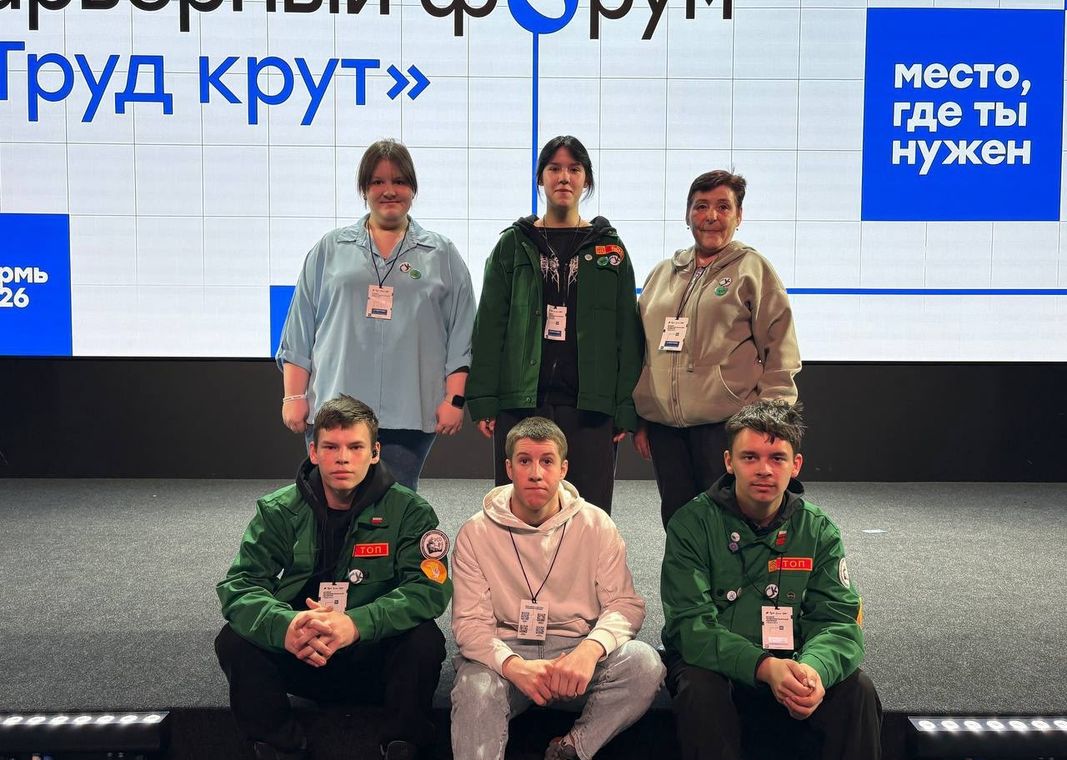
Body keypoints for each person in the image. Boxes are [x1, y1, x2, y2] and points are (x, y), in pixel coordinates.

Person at [215, 395, 452, 760]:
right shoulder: (278, 510)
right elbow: (240, 585)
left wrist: (356, 624)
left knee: (424, 641)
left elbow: (429, 589)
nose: (343, 458)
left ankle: (401, 753)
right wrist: (286, 625)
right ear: (314, 451)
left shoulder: (410, 511)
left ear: (375, 453)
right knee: (234, 641)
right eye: (331, 447)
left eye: (356, 447)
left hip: (372, 658)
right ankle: (281, 753)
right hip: (303, 651)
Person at [660, 399, 881, 760]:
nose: (764, 469)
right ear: (729, 462)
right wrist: (764, 667)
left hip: (793, 663)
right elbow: (690, 626)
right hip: (720, 667)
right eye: (750, 457)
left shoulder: (818, 530)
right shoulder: (691, 524)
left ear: (796, 465)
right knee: (699, 688)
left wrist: (813, 671)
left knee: (858, 691)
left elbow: (838, 621)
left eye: (777, 458)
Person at [450, 416, 665, 760]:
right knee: (473, 689)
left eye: (547, 461)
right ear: (508, 468)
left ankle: (568, 751)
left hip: (574, 657)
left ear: (563, 468)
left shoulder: (596, 524)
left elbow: (625, 605)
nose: (536, 473)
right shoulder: (475, 532)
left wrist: (589, 650)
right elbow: (469, 625)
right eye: (525, 461)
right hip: (508, 655)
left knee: (645, 665)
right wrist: (514, 666)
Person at [276, 139, 476, 492]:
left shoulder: (442, 253)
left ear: (413, 188)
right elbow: (300, 329)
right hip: (335, 408)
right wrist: (293, 397)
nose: (389, 191)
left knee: (395, 506)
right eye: (377, 182)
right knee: (332, 503)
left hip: (410, 411)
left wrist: (454, 399)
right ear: (364, 189)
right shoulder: (330, 248)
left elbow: (462, 334)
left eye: (399, 181)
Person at [466, 135, 642, 514]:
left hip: (589, 406)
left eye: (574, 169)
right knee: (521, 510)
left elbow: (626, 336)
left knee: (588, 513)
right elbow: (490, 326)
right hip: (521, 402)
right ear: (540, 178)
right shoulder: (513, 244)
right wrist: (482, 399)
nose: (564, 177)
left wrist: (624, 407)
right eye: (554, 168)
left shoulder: (611, 250)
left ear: (586, 180)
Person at [633, 170, 801, 529]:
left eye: (723, 207)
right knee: (679, 520)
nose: (711, 216)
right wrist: (642, 416)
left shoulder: (753, 270)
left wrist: (769, 422)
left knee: (730, 524)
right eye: (701, 206)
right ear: (687, 215)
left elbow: (780, 350)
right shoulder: (662, 274)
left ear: (739, 216)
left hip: (727, 426)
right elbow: (643, 350)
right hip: (666, 429)